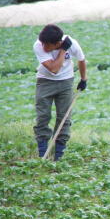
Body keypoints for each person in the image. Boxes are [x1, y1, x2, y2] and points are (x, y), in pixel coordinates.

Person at [33, 24, 87, 161]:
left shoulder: (72, 43)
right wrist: (63, 49)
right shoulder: (39, 45)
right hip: (45, 81)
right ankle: (42, 154)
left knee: (64, 117)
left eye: (48, 45)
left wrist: (83, 79)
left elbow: (81, 59)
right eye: (43, 44)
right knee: (43, 116)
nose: (44, 48)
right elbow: (54, 69)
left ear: (57, 43)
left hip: (66, 82)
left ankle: (59, 156)